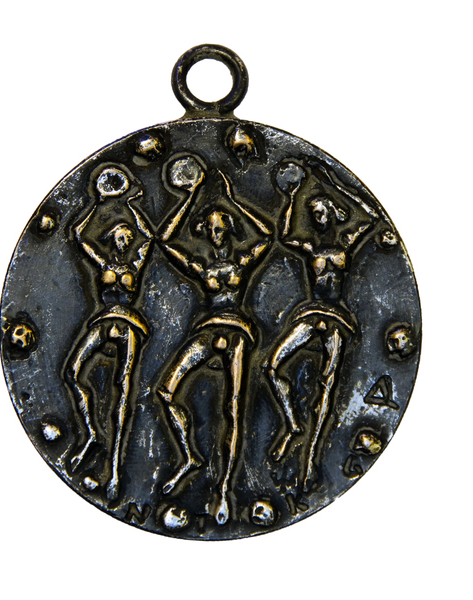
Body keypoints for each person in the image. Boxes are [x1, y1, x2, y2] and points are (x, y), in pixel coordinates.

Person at [156, 155, 272, 525]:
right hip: (207, 329)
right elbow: (165, 240)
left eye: (220, 225)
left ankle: (223, 489)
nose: (215, 231)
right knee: (165, 391)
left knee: (233, 410)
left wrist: (236, 200)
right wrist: (188, 198)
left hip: (236, 330)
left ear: (230, 227)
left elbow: (267, 236)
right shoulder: (202, 266)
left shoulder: (243, 261)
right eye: (210, 226)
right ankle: (190, 455)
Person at [267, 158, 378, 491]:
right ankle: (292, 425)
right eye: (313, 214)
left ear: (332, 212)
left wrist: (333, 181)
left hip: (336, 317)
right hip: (312, 311)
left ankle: (311, 460)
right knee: (271, 367)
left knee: (326, 389)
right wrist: (291, 197)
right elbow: (285, 235)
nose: (317, 218)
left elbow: (370, 216)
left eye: (321, 212)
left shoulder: (346, 243)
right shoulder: (311, 246)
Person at [65, 164, 152, 501]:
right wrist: (97, 202)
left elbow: (149, 237)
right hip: (103, 320)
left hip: (129, 323)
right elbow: (77, 234)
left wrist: (131, 205)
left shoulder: (135, 264)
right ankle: (90, 434)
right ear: (112, 239)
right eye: (120, 235)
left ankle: (115, 470)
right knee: (73, 373)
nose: (125, 239)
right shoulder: (104, 263)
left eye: (127, 236)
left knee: (123, 392)